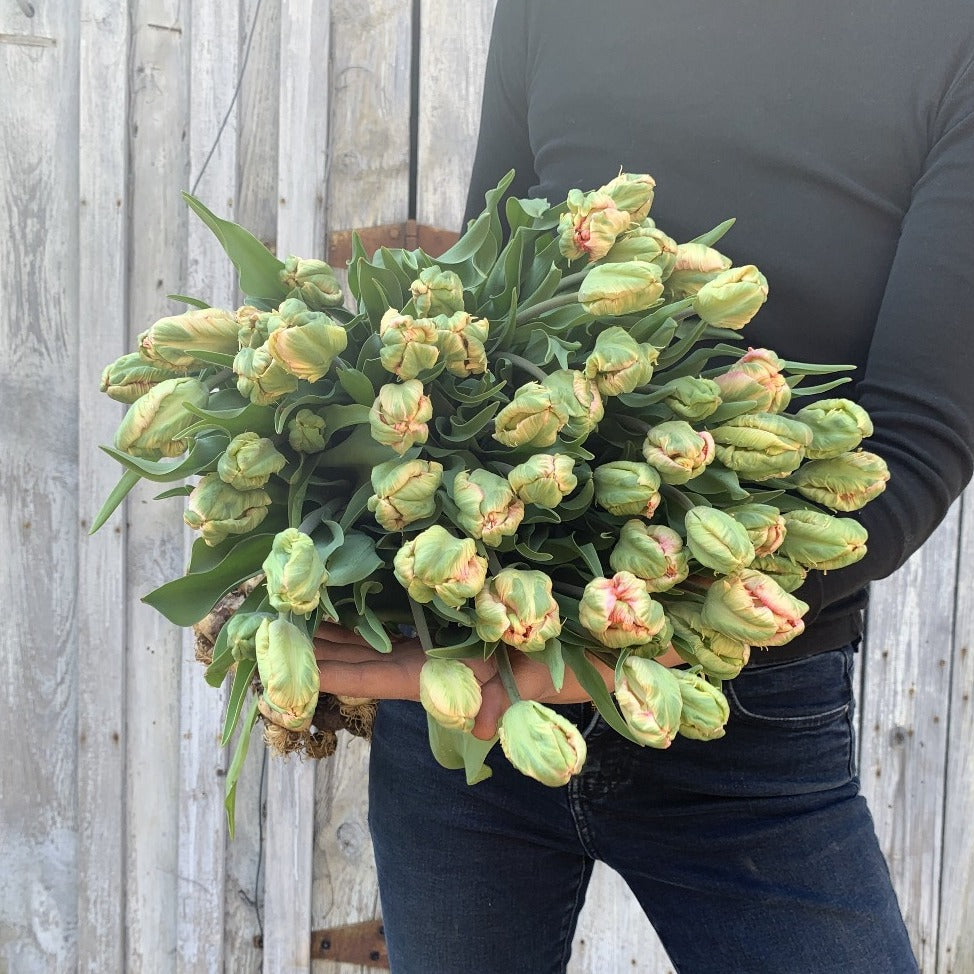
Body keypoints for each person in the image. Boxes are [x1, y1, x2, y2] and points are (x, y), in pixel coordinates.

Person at [314, 1, 974, 970]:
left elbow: (912, 449)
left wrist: (599, 650)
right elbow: (486, 309)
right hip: (475, 691)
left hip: (735, 713)